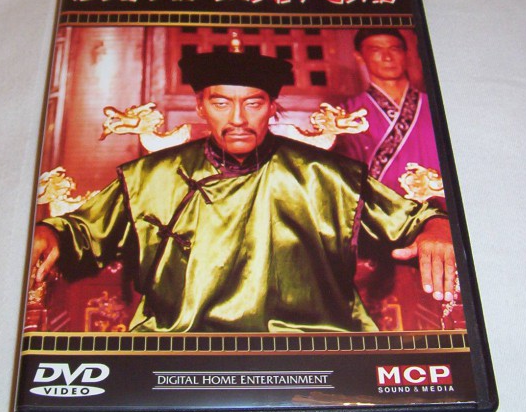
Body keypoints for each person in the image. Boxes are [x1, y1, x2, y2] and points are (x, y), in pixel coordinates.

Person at [30, 50, 455, 333]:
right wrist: (49, 233)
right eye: (221, 103)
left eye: (253, 103)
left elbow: (413, 220)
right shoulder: (150, 177)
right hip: (179, 346)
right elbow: (83, 231)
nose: (237, 119)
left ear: (272, 108)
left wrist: (437, 226)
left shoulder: (328, 175)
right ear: (200, 107)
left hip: (310, 345)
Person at [334, 29, 449, 330]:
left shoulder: (439, 107)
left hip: (441, 228)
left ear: (406, 53)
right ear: (359, 56)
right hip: (377, 234)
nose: (386, 56)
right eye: (376, 49)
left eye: (394, 48)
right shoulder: (344, 114)